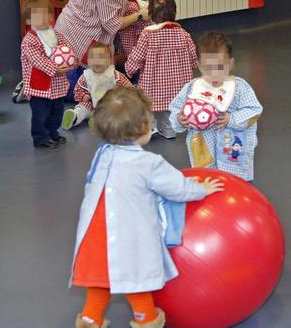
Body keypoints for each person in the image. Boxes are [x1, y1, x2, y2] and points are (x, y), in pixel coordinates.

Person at [70, 87, 224, 328]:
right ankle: (147, 319)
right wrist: (201, 189)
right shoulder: (148, 162)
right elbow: (177, 188)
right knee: (136, 280)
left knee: (100, 279)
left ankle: (90, 319)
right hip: (126, 238)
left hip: (94, 236)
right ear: (143, 128)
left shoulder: (101, 155)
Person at [169, 32, 263, 182]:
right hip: (205, 159)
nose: (214, 74)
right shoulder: (192, 89)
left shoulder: (239, 87)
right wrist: (179, 120)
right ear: (199, 66)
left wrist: (231, 119)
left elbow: (254, 110)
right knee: (208, 190)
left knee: (238, 190)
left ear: (230, 63)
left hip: (235, 158)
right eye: (207, 68)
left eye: (220, 67)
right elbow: (175, 109)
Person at [125, 0, 197, 139]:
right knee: (170, 107)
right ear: (174, 15)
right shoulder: (183, 34)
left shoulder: (148, 35)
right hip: (178, 83)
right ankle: (169, 129)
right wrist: (193, 65)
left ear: (150, 15)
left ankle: (149, 128)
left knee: (147, 106)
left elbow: (137, 56)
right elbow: (192, 56)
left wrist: (129, 69)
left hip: (154, 82)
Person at [20, 0, 76, 149]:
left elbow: (66, 51)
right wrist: (54, 68)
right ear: (28, 21)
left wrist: (71, 61)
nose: (44, 19)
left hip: (57, 85)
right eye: (38, 16)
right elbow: (37, 60)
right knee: (41, 114)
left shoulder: (56, 35)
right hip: (39, 87)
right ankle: (40, 137)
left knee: (56, 112)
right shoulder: (29, 41)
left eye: (47, 14)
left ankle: (52, 132)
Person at [62, 43, 132, 131]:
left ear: (109, 60)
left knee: (115, 111)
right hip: (91, 103)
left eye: (101, 57)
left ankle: (98, 120)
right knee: (82, 108)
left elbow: (128, 88)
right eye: (92, 57)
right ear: (88, 60)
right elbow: (78, 89)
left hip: (109, 105)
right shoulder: (86, 76)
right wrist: (83, 96)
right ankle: (74, 116)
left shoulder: (114, 75)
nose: (96, 61)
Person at [119, 0, 154, 65]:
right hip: (133, 43)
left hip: (141, 41)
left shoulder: (143, 0)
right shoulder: (132, 5)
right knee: (136, 63)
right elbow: (143, 22)